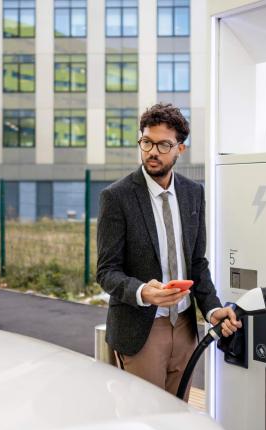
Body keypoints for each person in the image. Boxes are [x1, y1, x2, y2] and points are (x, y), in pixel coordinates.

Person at [96, 103, 241, 400]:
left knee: (178, 418)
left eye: (164, 144)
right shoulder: (117, 197)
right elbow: (106, 271)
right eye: (147, 142)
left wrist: (212, 309)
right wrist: (142, 292)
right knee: (145, 419)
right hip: (142, 331)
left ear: (180, 149)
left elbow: (197, 264)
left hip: (186, 328)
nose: (153, 152)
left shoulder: (193, 193)